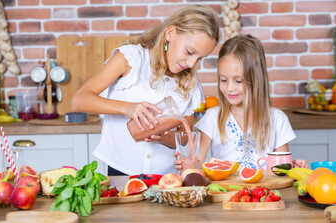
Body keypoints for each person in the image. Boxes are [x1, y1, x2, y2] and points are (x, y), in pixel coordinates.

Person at [71, 5, 220, 176]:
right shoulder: (131, 59)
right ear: (170, 33)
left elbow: (183, 138)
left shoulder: (190, 82)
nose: (192, 64)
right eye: (189, 52)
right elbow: (79, 100)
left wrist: (162, 137)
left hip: (166, 176)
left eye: (199, 58)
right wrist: (127, 108)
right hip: (122, 170)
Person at [175, 34, 309, 171]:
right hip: (224, 192)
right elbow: (197, 163)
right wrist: (189, 165)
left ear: (256, 79)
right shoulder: (212, 118)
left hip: (265, 192)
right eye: (223, 80)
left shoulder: (277, 119)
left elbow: (281, 169)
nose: (230, 88)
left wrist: (294, 167)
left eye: (238, 81)